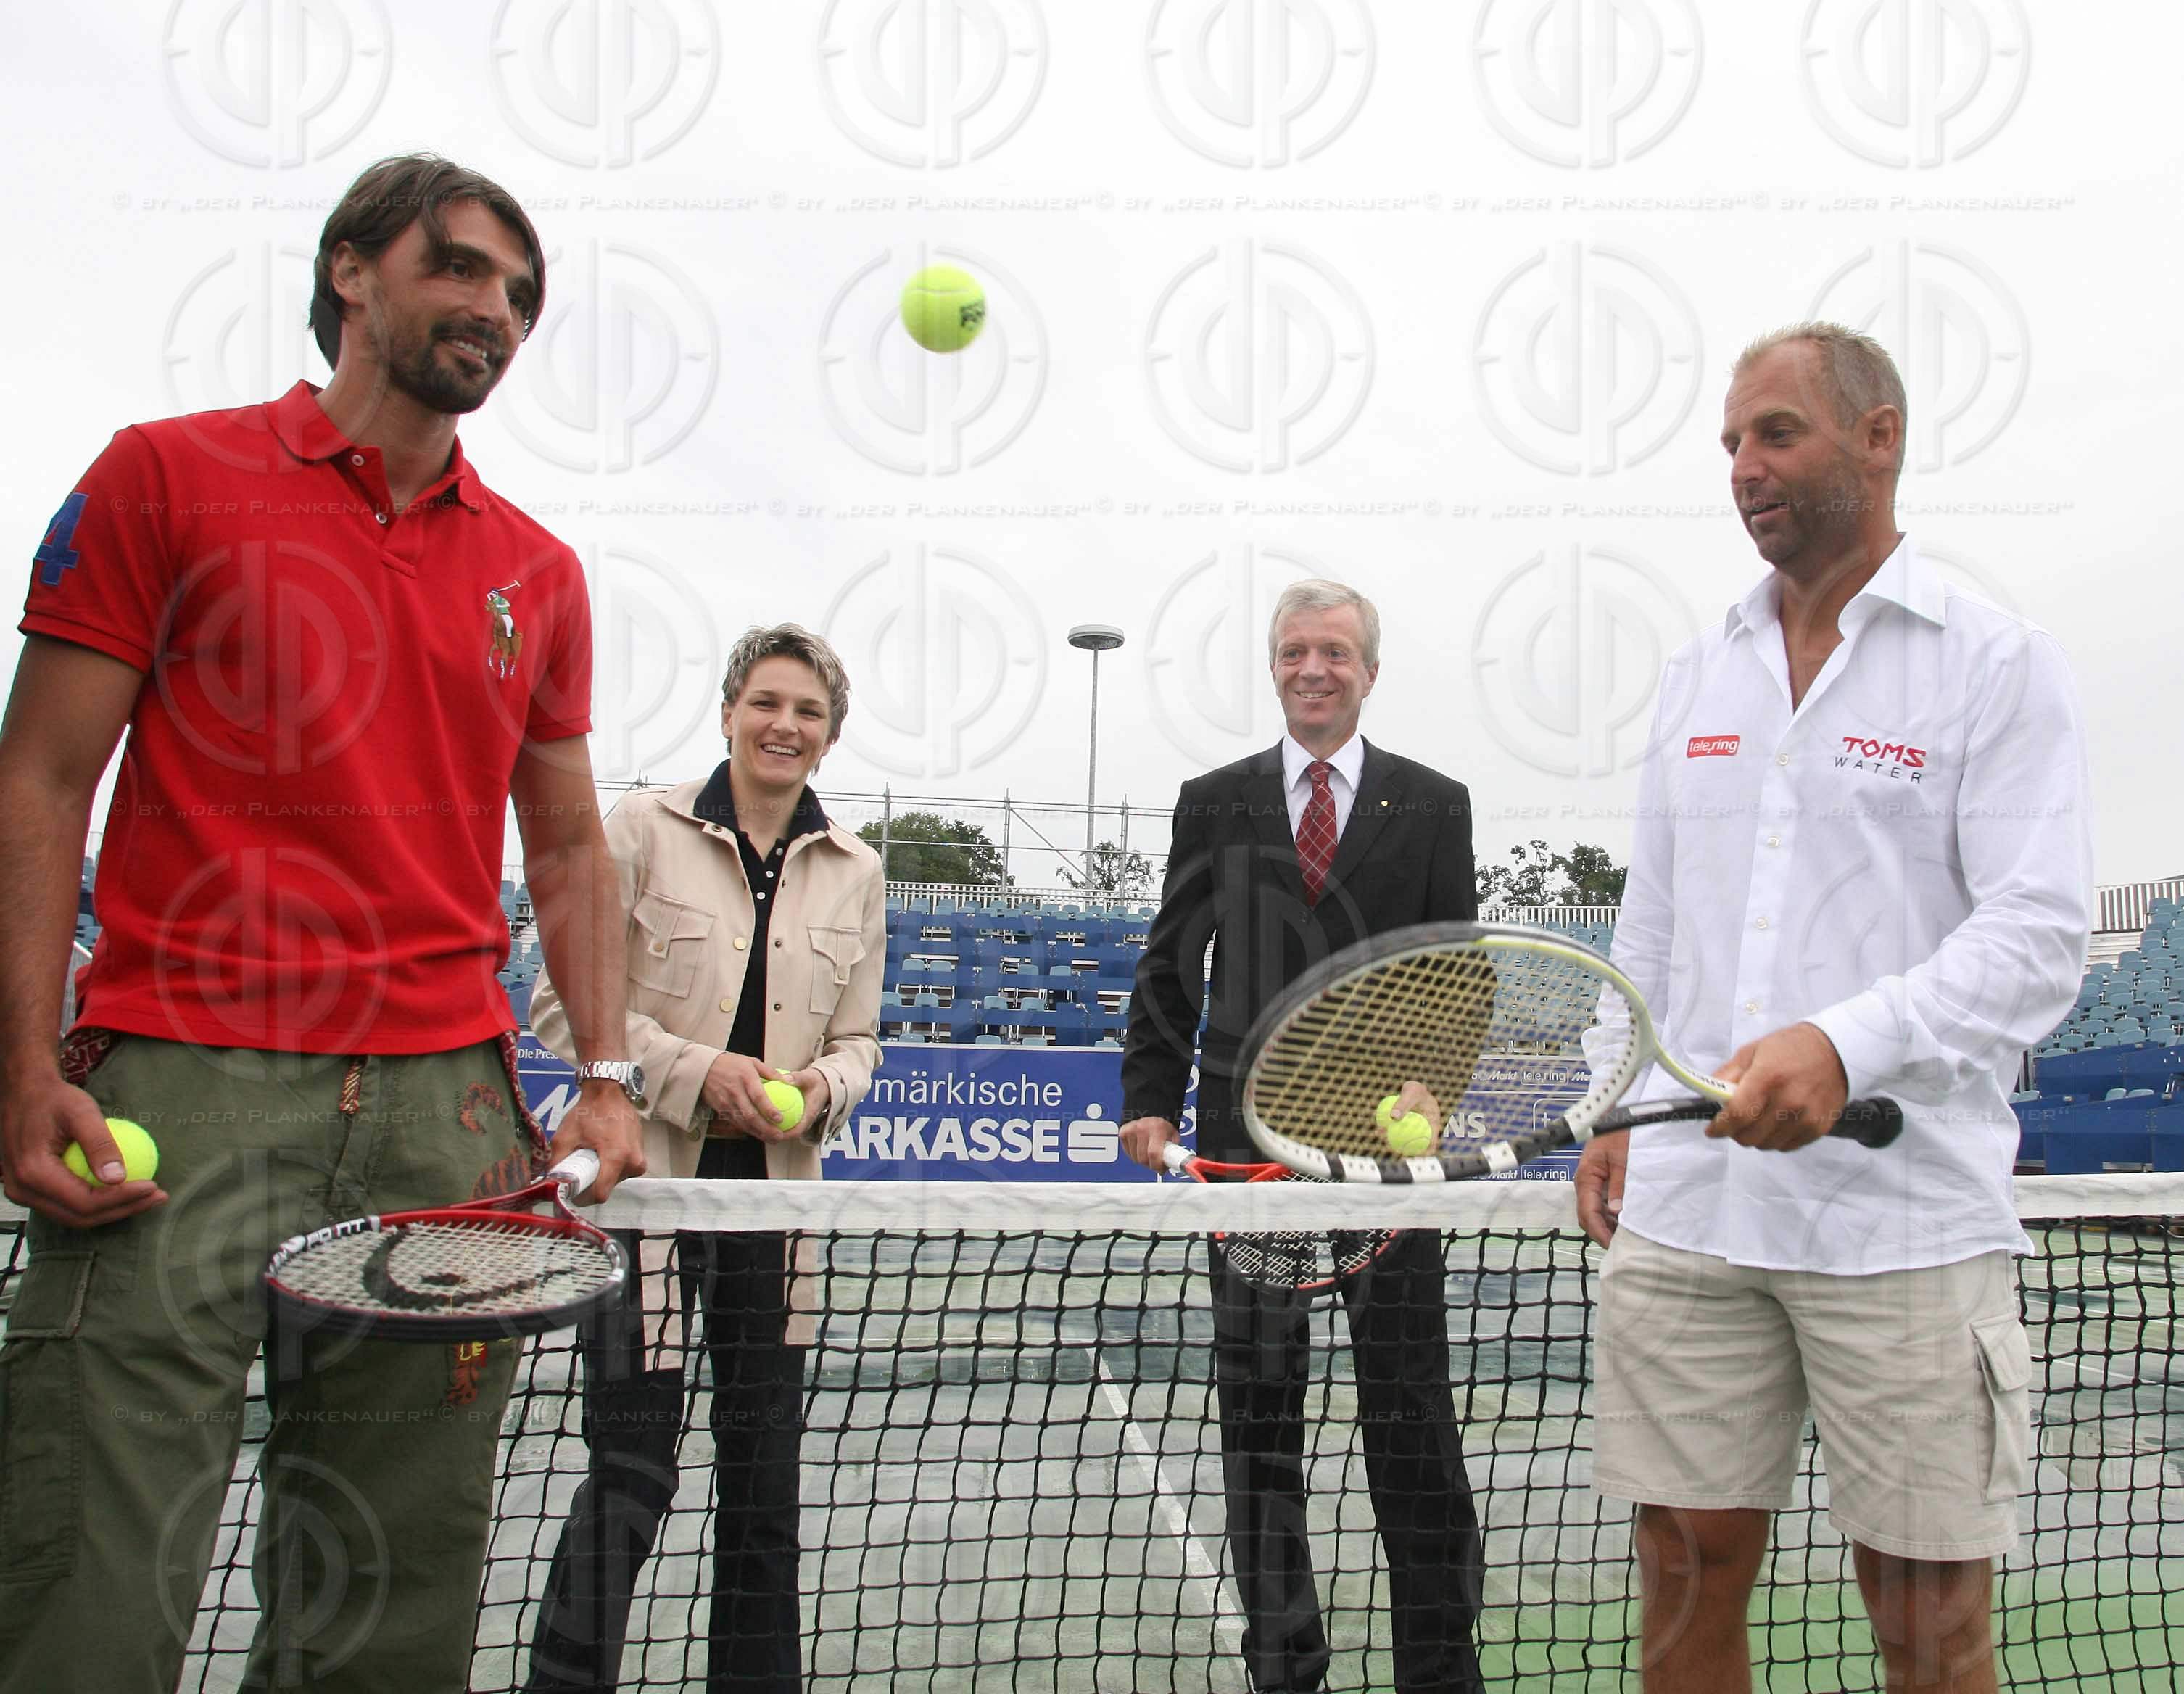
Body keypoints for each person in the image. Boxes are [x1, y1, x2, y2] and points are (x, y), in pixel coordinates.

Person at [0, 155, 648, 1692]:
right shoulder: (162, 475)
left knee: (392, 1612)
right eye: (465, 267)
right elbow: (41, 776)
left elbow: (562, 839)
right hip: (177, 1086)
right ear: (352, 269)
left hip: (451, 1126)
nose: (496, 308)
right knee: (88, 1578)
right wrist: (24, 1068)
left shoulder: (538, 573)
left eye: (520, 293)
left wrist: (609, 1071)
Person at [1574, 323, 2093, 1694]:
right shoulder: (1700, 672)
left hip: (1905, 1220)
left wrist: (1843, 1042)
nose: (1744, 467)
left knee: (1928, 1627)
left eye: (1777, 434)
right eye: (1732, 444)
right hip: (1690, 1213)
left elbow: (2041, 937)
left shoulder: (1997, 662)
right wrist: (1618, 1104)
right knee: (1684, 1586)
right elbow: (1656, 920)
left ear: (1880, 437)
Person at [1120, 580, 1487, 1694]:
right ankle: (1287, 1665)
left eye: (1335, 652)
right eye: (1293, 651)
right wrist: (1150, 1096)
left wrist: (1432, 1086)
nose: (1312, 668)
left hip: (1388, 1164)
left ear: (1369, 672)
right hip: (1250, 1158)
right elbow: (1172, 964)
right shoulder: (1213, 801)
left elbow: (1456, 978)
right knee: (1261, 1426)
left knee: (1410, 1418)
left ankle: (1439, 1662)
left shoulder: (1434, 803)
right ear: (1275, 668)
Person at [523, 624, 885, 1693]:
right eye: (767, 703)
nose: (785, 725)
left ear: (828, 737)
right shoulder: (638, 828)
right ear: (730, 710)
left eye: (808, 712)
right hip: (647, 1207)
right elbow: (560, 1006)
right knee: (632, 1476)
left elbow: (860, 1042)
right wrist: (695, 1072)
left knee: (766, 1493)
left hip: (774, 1222)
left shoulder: (859, 870)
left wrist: (820, 1089)